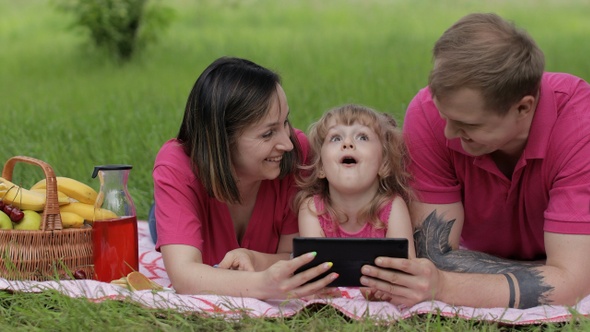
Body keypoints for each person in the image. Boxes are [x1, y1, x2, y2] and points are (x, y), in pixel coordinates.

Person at [359, 13, 590, 309]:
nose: (448, 132)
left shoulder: (580, 127)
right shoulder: (429, 114)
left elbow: (573, 287)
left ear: (523, 108)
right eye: (446, 116)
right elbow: (434, 256)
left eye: (469, 125)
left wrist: (445, 286)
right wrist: (558, 274)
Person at [151, 56, 337, 298]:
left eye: (285, 123)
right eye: (268, 133)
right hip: (183, 203)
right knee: (160, 225)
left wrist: (253, 259)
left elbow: (293, 257)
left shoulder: (296, 154)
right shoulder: (177, 166)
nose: (286, 143)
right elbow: (184, 276)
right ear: (222, 140)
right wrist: (260, 285)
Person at [295, 104, 416, 259]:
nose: (347, 143)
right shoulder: (313, 210)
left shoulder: (392, 208)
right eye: (336, 138)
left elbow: (406, 271)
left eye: (362, 137)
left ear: (384, 164)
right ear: (320, 167)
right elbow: (314, 274)